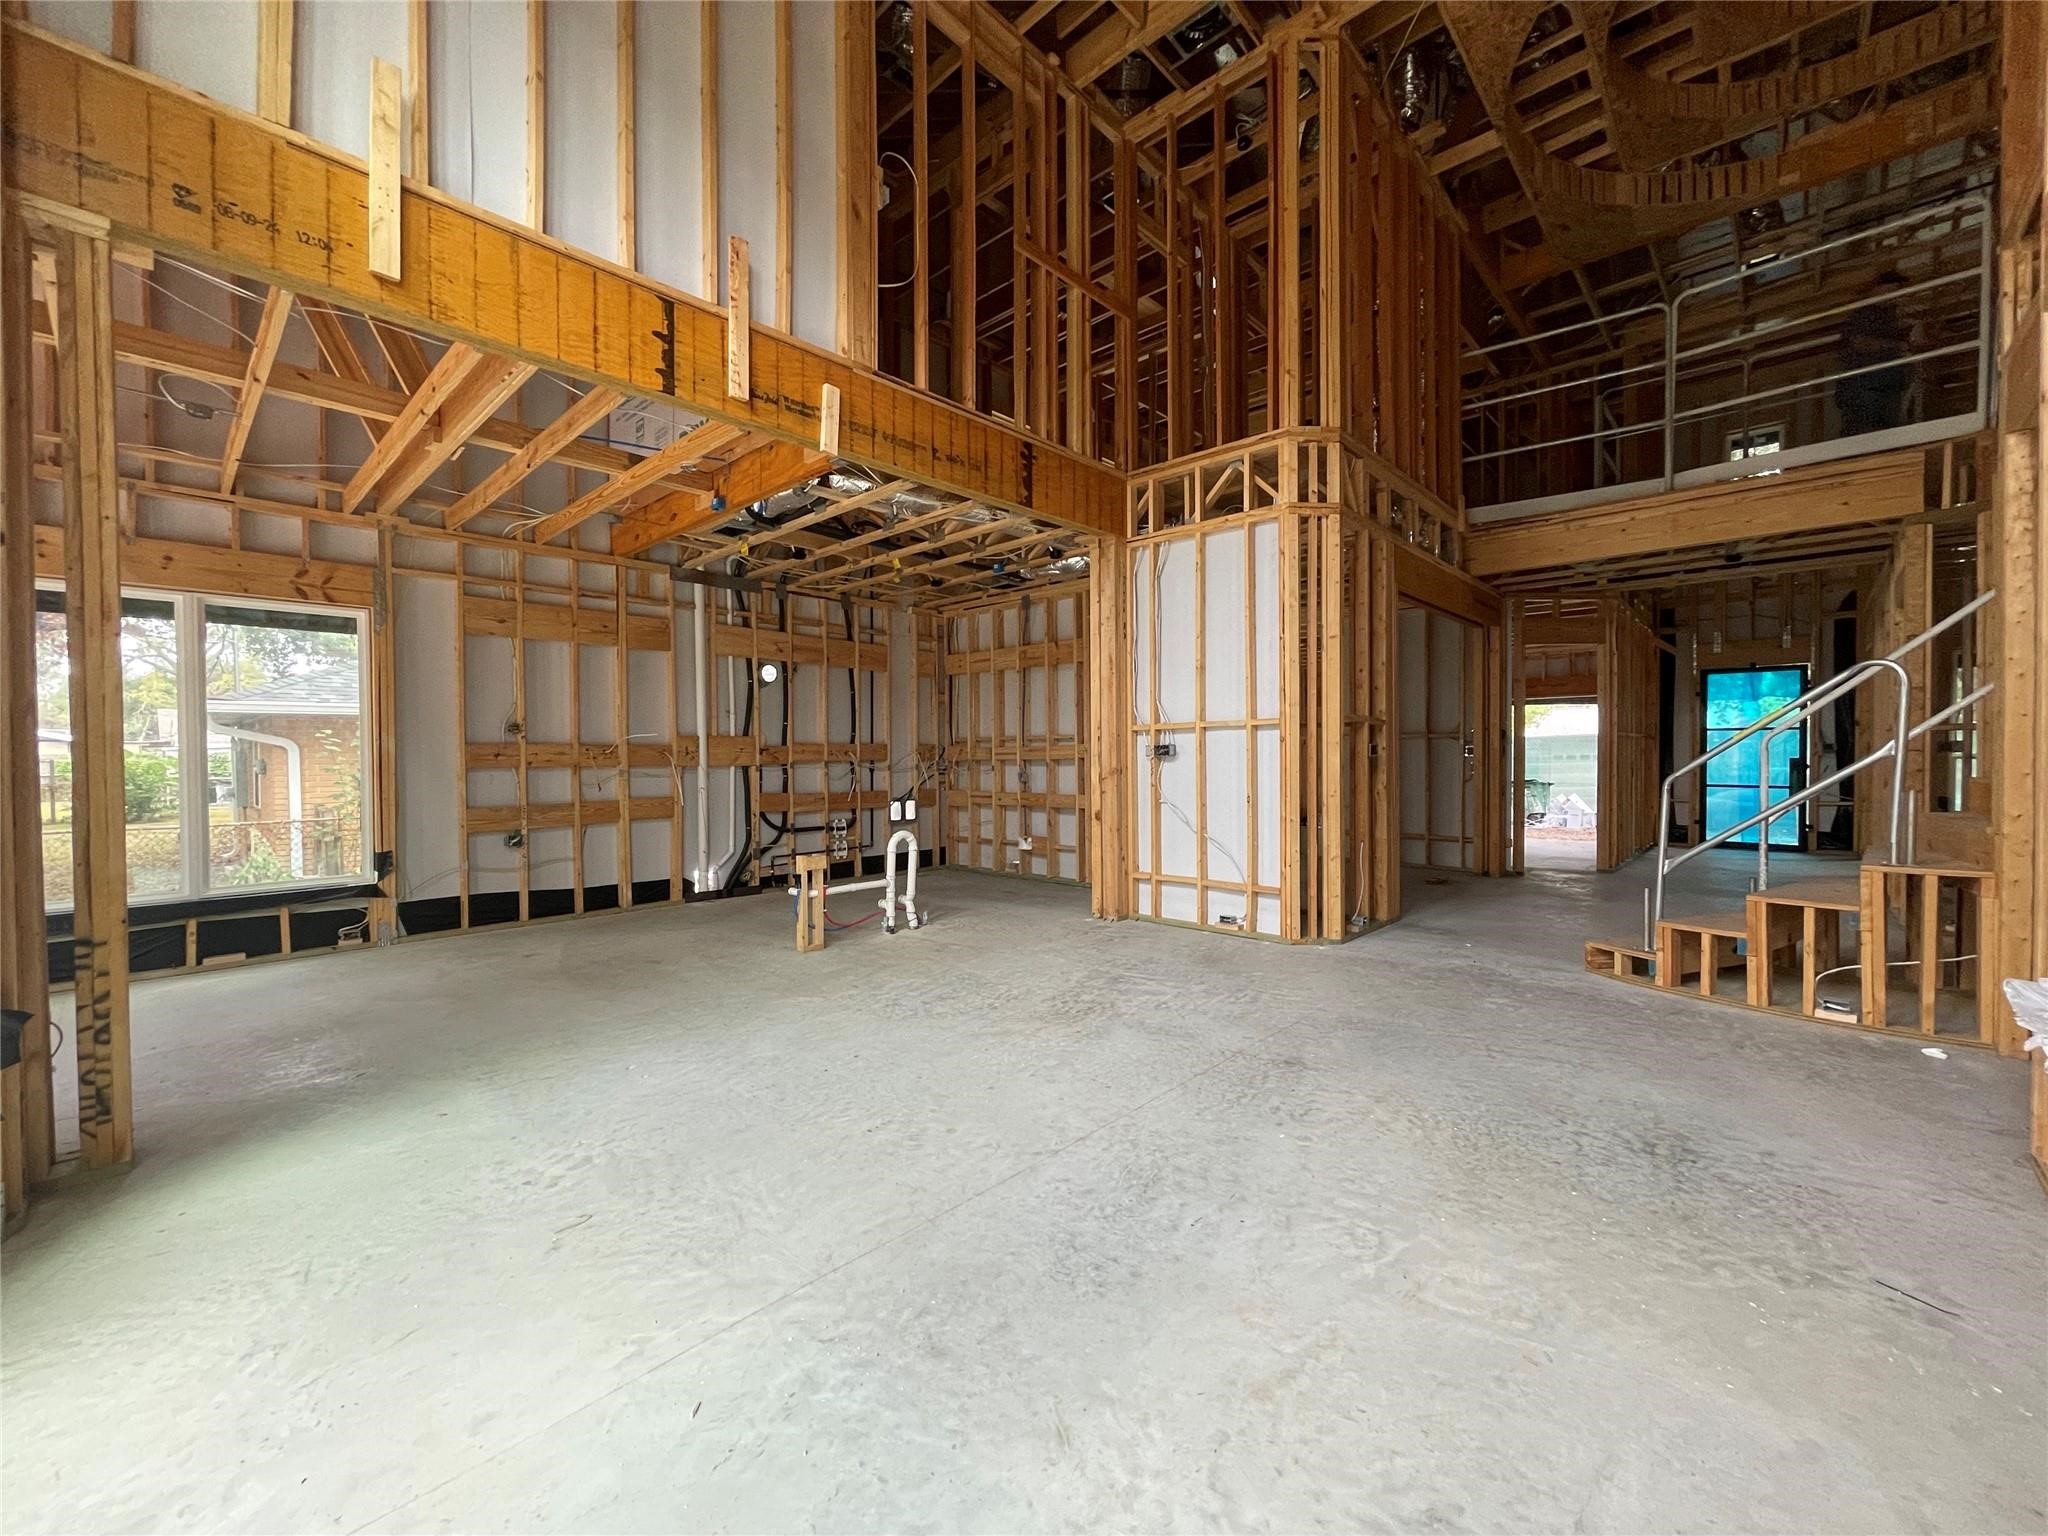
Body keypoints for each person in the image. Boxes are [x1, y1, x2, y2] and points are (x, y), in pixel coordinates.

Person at [1835, 269, 1913, 436]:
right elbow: (1861, 343)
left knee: (1881, 429)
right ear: (1877, 289)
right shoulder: (1865, 313)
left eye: (1895, 291)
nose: (1893, 295)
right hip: (1866, 382)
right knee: (1865, 428)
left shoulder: (1887, 316)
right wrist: (1896, 346)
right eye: (1889, 290)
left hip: (1881, 382)